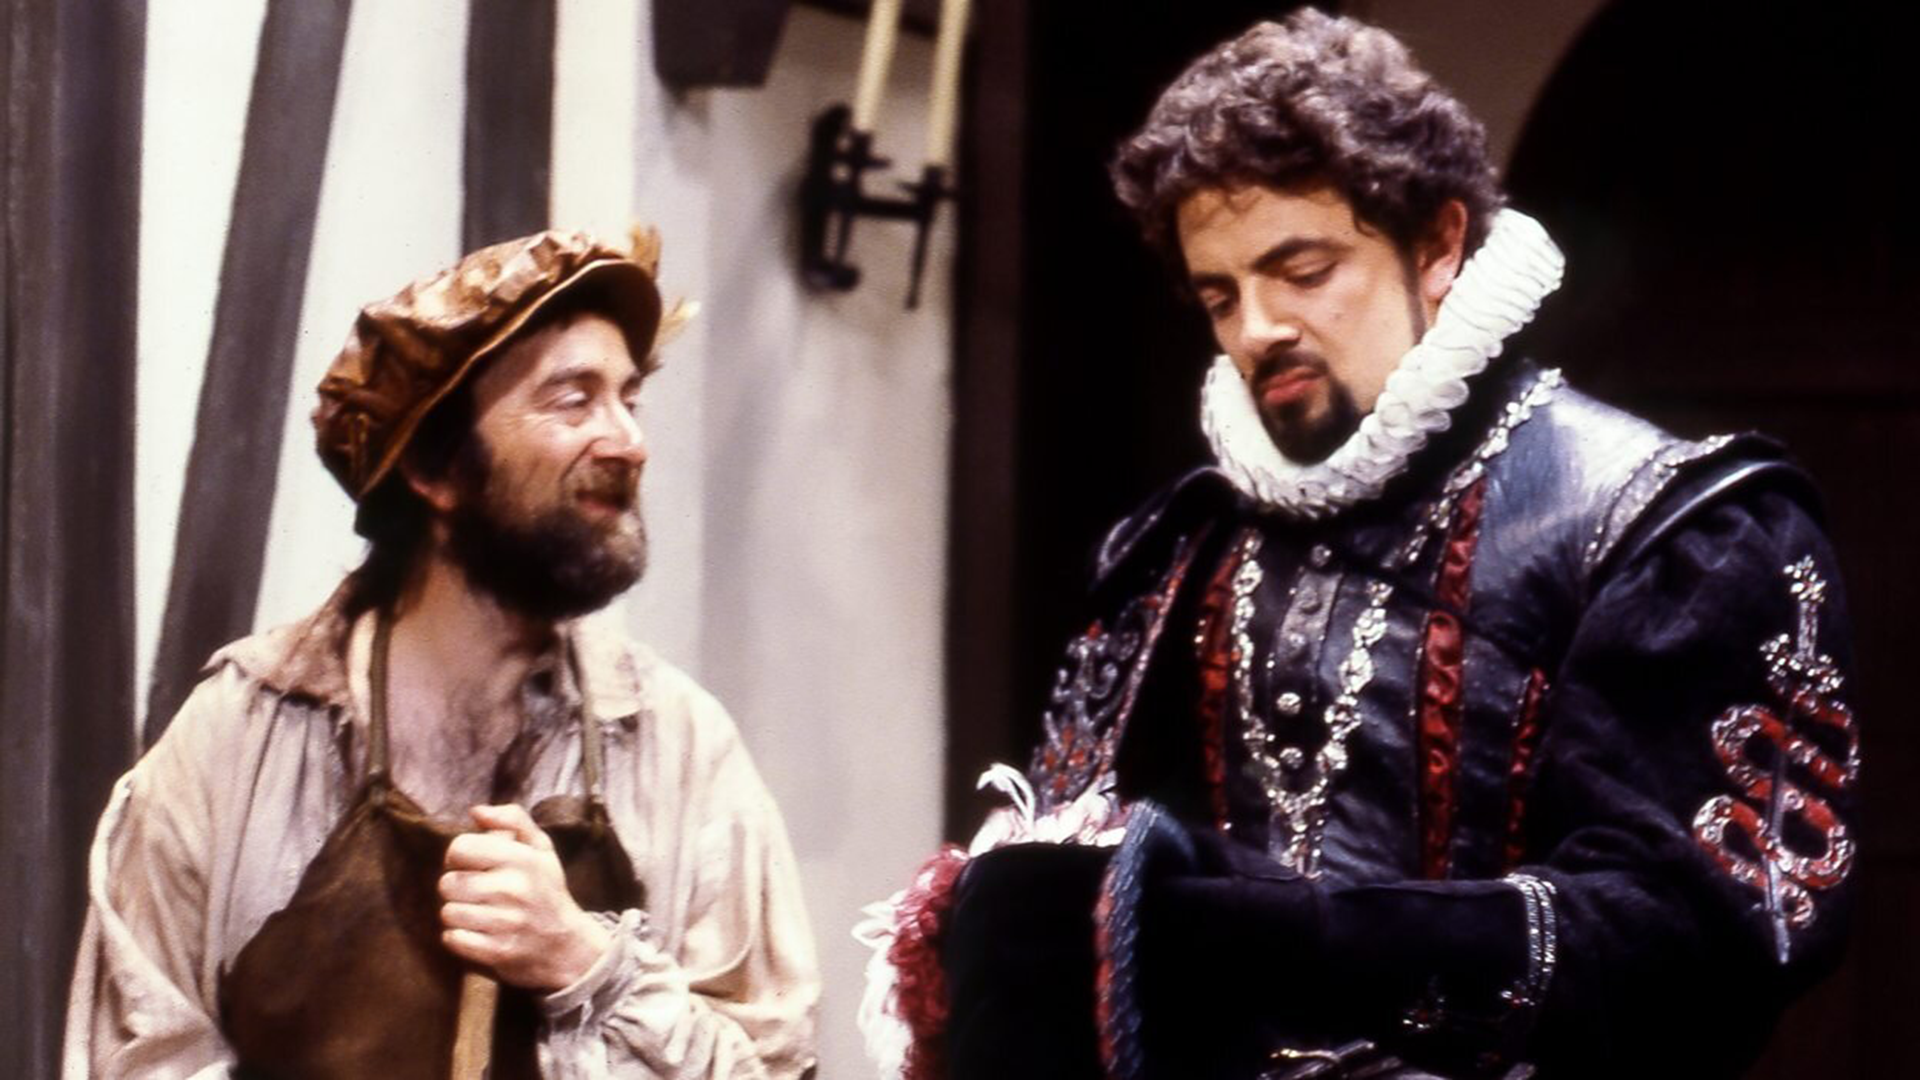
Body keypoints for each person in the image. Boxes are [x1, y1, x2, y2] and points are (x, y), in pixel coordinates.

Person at [856, 11, 1858, 1079]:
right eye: (1222, 295)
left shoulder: (1667, 526)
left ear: (1439, 247)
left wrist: (1266, 935)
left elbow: (1703, 937)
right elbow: (1069, 897)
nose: (1257, 329)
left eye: (1302, 269)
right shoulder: (1178, 550)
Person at [66, 229, 819, 1078]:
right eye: (573, 400)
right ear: (435, 467)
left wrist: (588, 966)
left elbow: (774, 1066)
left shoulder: (679, 749)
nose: (627, 442)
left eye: (629, 401)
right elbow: (136, 1059)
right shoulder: (239, 741)